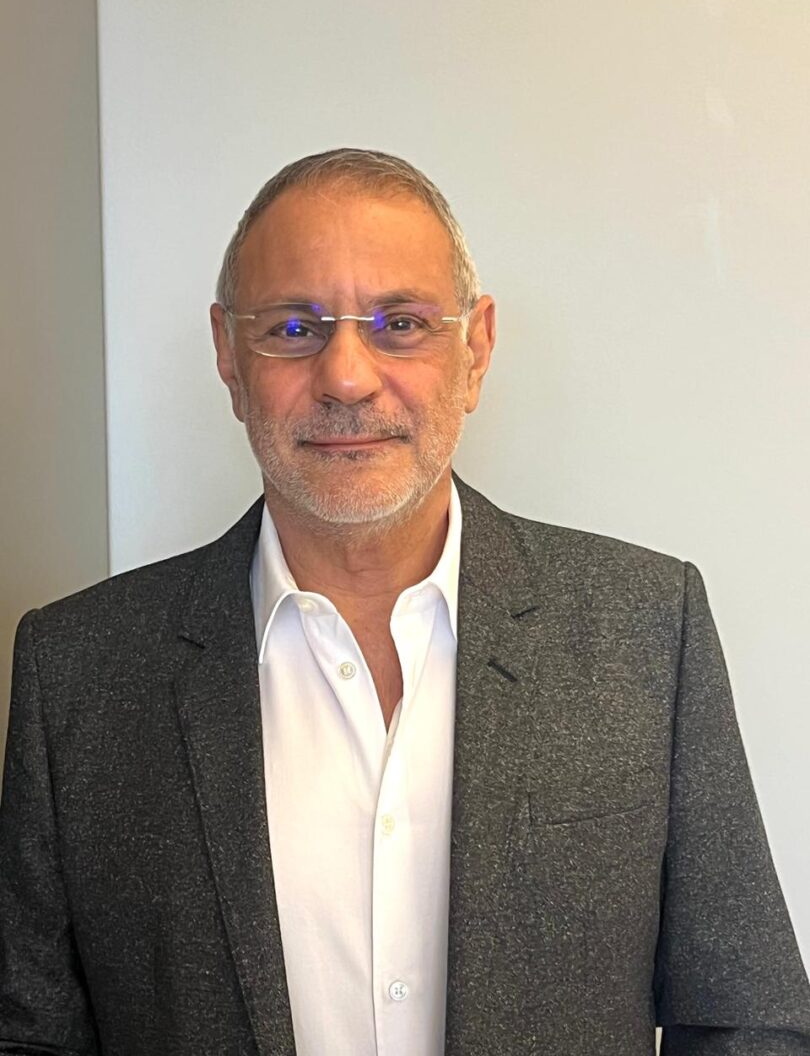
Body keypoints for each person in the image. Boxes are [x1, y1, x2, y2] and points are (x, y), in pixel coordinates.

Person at [1, 148, 808, 1056]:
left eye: (401, 324)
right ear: (228, 354)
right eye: (294, 327)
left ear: (476, 349)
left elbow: (746, 1020)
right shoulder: (79, 673)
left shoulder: (647, 629)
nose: (346, 376)